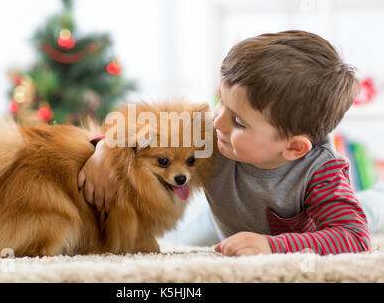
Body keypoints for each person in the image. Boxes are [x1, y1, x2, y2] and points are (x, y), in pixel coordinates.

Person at [79, 30, 372, 256]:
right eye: (220, 101)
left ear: (293, 147)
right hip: (219, 222)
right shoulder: (211, 129)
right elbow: (139, 127)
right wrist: (102, 150)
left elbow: (354, 236)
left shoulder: (321, 171)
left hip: (282, 230)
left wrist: (271, 246)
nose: (217, 120)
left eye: (239, 122)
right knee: (176, 242)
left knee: (371, 210)